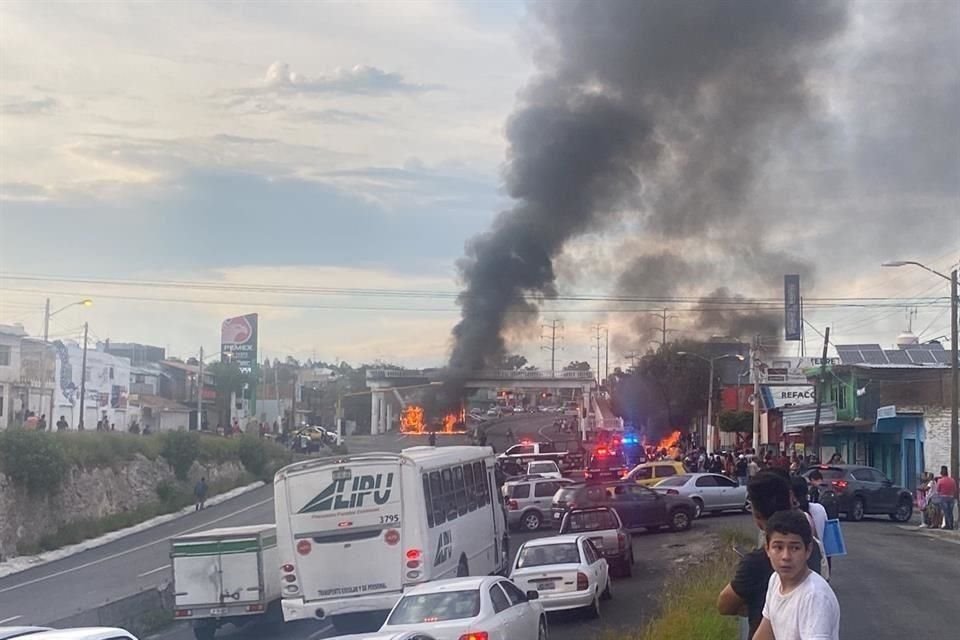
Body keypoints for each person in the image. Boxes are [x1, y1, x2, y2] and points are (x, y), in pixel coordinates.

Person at [716, 472, 793, 638]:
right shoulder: (810, 545)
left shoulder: (757, 562)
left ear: (757, 515)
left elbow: (724, 605)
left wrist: (750, 604)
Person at [753, 510, 840, 640]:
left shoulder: (815, 597)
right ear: (767, 550)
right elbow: (765, 633)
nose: (786, 557)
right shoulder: (775, 580)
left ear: (808, 550)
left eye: (795, 548)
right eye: (778, 547)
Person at [935, 465, 957, 530]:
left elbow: (938, 490)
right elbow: (955, 489)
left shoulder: (940, 481)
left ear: (941, 473)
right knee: (950, 512)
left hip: (943, 497)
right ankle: (951, 525)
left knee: (946, 512)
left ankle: (948, 525)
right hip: (951, 497)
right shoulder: (952, 480)